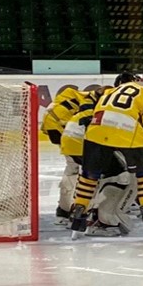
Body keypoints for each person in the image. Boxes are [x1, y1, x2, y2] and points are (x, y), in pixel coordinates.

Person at [69, 72, 143, 240]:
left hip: (97, 126)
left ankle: (78, 218)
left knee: (89, 177)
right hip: (128, 128)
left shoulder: (120, 87)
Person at [40, 85, 100, 223]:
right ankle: (85, 209)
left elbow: (53, 136)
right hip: (73, 135)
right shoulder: (90, 98)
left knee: (72, 171)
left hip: (63, 135)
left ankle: (64, 209)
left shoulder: (58, 103)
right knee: (92, 174)